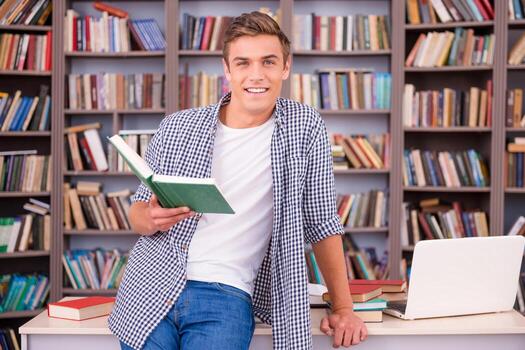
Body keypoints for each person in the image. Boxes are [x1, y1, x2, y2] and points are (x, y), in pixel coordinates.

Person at [109, 11, 368, 350]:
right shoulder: (178, 126)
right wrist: (149, 217)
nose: (256, 75)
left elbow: (322, 223)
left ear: (286, 68)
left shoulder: (303, 127)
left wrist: (344, 307)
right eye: (243, 63)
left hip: (226, 294)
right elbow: (138, 213)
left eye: (269, 62)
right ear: (227, 69)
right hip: (151, 286)